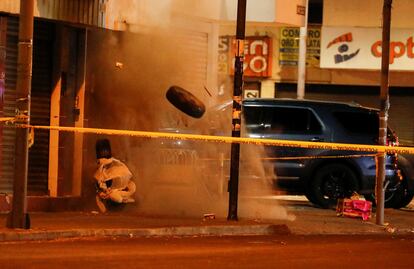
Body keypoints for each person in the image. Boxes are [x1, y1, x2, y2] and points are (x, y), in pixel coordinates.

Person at [94, 138, 136, 213]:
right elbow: (100, 184)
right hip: (112, 194)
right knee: (114, 197)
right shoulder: (102, 170)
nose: (104, 152)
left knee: (127, 190)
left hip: (117, 192)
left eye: (105, 151)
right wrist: (102, 192)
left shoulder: (116, 167)